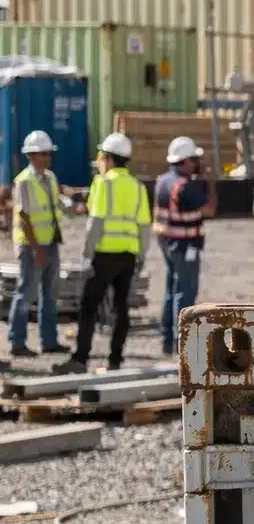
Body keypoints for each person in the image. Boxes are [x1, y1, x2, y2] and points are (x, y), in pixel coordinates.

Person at [55, 134, 150, 375]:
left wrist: (87, 254)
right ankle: (115, 360)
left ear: (107, 159)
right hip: (128, 256)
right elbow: (144, 226)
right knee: (121, 308)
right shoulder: (138, 187)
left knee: (89, 306)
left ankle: (80, 358)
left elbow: (95, 222)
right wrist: (141, 256)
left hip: (104, 254)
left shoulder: (102, 183)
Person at [154, 135, 216, 355]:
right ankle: (183, 342)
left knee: (171, 291)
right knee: (185, 293)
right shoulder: (184, 187)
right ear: (185, 160)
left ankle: (167, 340)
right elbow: (210, 209)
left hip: (167, 243)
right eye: (194, 160)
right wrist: (209, 181)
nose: (197, 164)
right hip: (186, 245)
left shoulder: (162, 181)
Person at [10, 130, 65, 358]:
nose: (47, 157)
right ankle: (17, 342)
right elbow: (24, 217)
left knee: (49, 294)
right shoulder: (23, 181)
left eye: (48, 153)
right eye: (43, 154)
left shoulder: (50, 178)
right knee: (26, 293)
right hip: (31, 247)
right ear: (31, 155)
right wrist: (36, 248)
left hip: (50, 242)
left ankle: (49, 341)